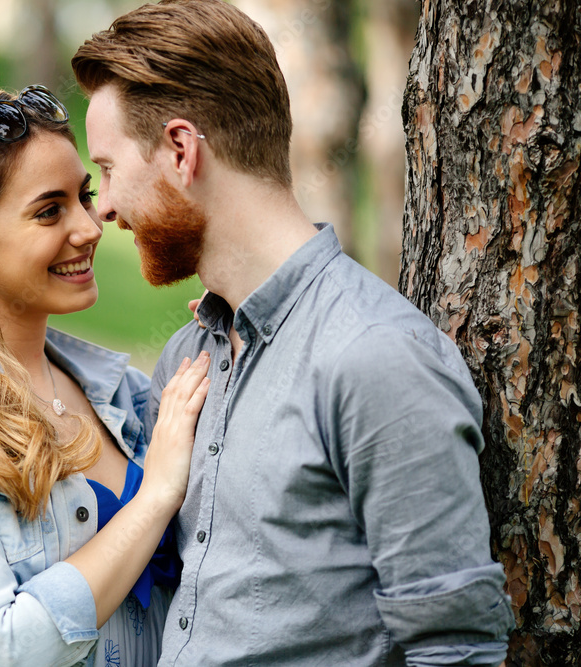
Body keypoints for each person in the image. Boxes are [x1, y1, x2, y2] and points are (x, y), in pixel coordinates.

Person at [71, 1, 516, 665]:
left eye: (108, 170)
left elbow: (455, 650)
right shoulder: (187, 360)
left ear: (182, 151)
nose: (103, 207)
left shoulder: (375, 358)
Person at [0, 85, 211, 667]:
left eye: (85, 196)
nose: (90, 227)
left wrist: (229, 335)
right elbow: (2, 645)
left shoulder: (126, 396)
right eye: (50, 211)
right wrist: (153, 498)